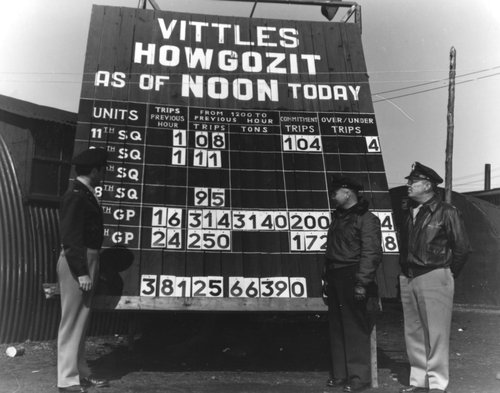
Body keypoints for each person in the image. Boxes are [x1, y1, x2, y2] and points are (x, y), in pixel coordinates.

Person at [398, 162, 470, 393]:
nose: (408, 185)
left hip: (435, 274)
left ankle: (437, 385)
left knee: (436, 333)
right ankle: (419, 382)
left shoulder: (446, 211)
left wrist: (447, 272)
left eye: (413, 181)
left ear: (427, 185)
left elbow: (462, 247)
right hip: (410, 276)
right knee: (414, 332)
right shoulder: (410, 211)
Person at [57, 148, 110, 393]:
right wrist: (81, 272)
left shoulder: (85, 193)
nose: (104, 173)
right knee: (71, 321)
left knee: (81, 320)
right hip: (77, 260)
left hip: (88, 258)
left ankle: (81, 374)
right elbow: (70, 238)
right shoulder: (76, 195)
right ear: (94, 169)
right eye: (103, 168)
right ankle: (67, 380)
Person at [323, 176, 382, 392]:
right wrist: (326, 277)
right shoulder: (338, 218)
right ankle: (341, 375)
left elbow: (372, 252)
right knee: (337, 328)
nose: (332, 195)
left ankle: (359, 378)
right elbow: (331, 250)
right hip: (335, 275)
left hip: (353, 275)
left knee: (355, 328)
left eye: (336, 191)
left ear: (347, 193)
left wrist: (362, 283)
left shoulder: (366, 219)